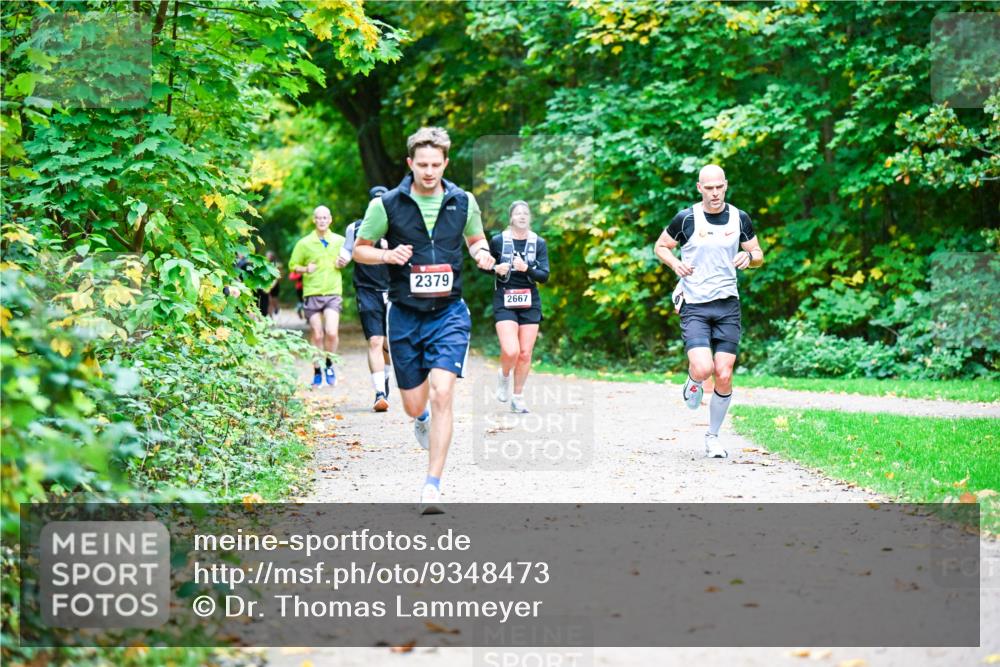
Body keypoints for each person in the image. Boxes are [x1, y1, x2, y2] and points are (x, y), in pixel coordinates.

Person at [352, 127, 495, 514]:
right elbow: (360, 251)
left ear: (445, 163)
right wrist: (387, 256)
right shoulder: (388, 205)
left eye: (436, 164)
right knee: (416, 405)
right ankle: (421, 419)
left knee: (443, 392)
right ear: (410, 163)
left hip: (449, 312)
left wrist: (483, 255)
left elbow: (476, 240)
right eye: (422, 164)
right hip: (404, 314)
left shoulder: (463, 201)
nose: (429, 172)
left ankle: (432, 485)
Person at [653, 164, 764, 459]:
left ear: (725, 185)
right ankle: (693, 379)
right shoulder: (687, 218)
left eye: (719, 187)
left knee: (724, 374)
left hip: (728, 304)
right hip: (696, 304)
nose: (715, 193)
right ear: (699, 188)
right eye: (709, 188)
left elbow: (758, 254)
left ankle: (712, 436)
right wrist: (674, 264)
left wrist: (749, 256)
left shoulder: (740, 217)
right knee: (704, 369)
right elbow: (661, 246)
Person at [490, 201, 550, 413]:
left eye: (526, 213)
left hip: (529, 300)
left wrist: (527, 268)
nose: (522, 216)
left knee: (525, 353)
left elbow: (544, 276)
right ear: (511, 218)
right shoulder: (498, 241)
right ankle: (504, 376)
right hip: (505, 298)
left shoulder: (538, 243)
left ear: (530, 218)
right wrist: (496, 268)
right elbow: (484, 266)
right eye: (518, 213)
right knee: (511, 350)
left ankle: (517, 397)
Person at [339, 186, 394, 412]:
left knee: (388, 344)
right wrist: (341, 259)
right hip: (366, 289)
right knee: (374, 340)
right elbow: (346, 250)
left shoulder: (399, 227)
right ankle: (379, 393)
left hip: (393, 291)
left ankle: (386, 378)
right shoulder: (356, 228)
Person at [289, 205, 347, 387]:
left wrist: (343, 262)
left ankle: (329, 364)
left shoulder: (339, 241)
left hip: (332, 292)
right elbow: (292, 265)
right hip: (312, 293)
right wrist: (305, 269)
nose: (322, 221)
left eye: (325, 218)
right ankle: (316, 371)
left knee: (331, 332)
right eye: (318, 218)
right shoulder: (304, 243)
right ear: (314, 220)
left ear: (330, 220)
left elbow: (350, 255)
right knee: (317, 333)